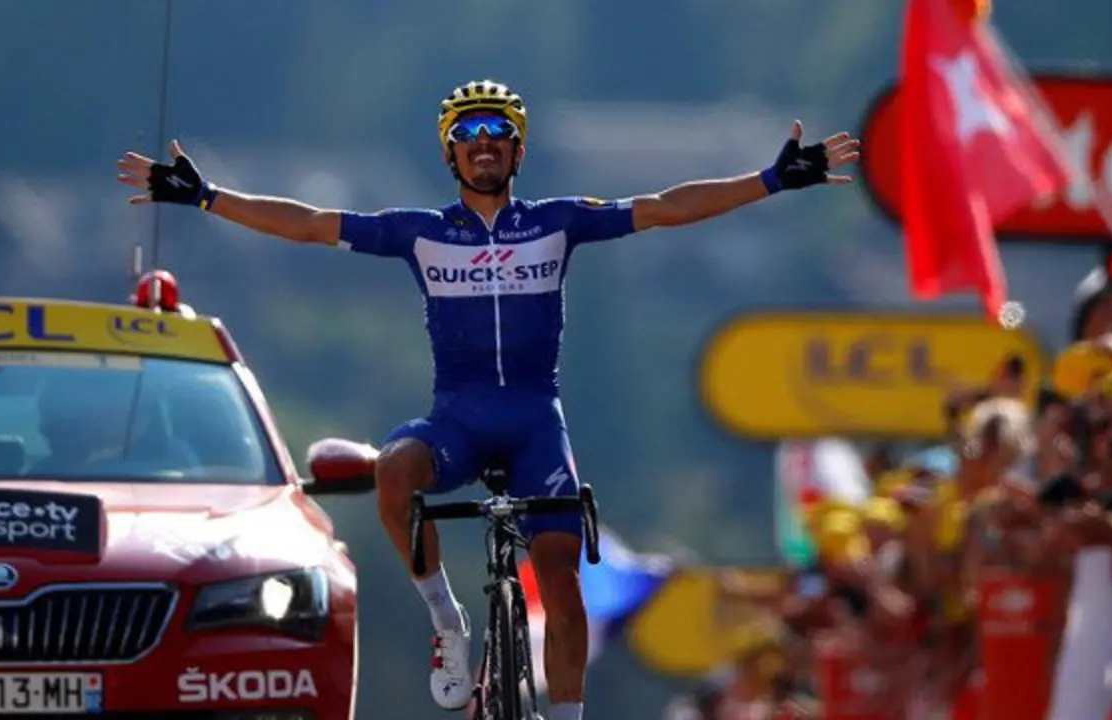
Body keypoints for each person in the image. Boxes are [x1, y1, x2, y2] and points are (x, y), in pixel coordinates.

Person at [116, 79, 860, 719]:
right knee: (394, 471)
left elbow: (666, 207)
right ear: (450, 153)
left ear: (516, 152)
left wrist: (771, 178)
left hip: (536, 421)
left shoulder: (557, 222)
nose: (483, 142)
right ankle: (447, 619)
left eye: (497, 132)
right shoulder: (420, 234)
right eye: (467, 133)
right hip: (459, 420)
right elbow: (309, 225)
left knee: (565, 587)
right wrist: (208, 197)